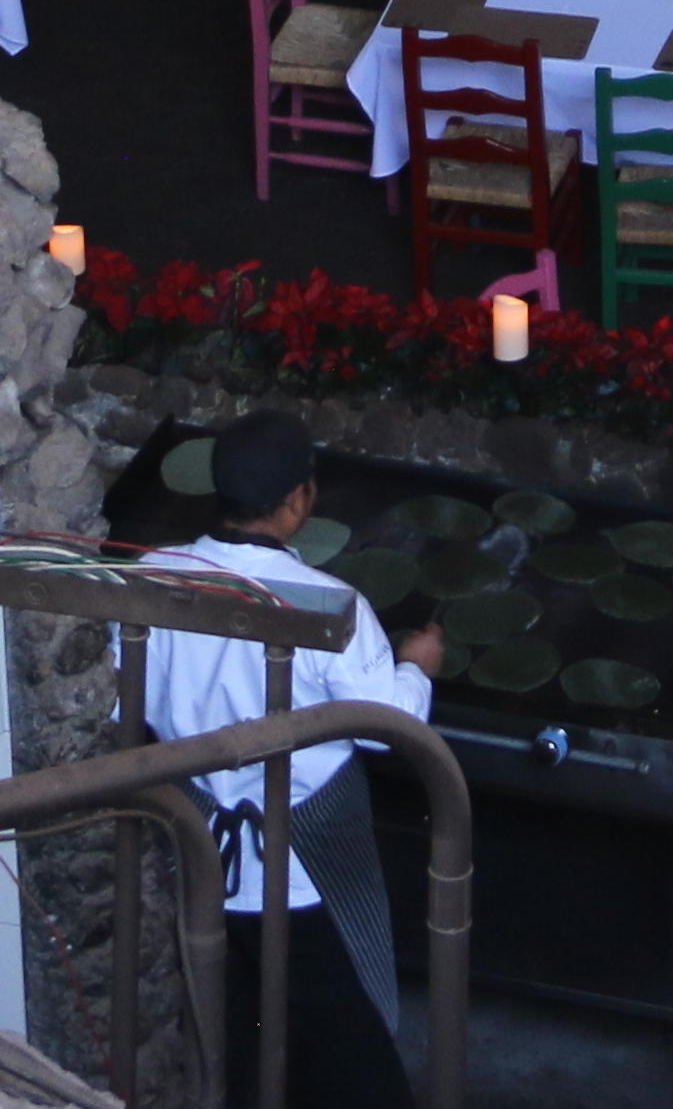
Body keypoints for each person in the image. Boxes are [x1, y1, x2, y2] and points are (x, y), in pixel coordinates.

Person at [140, 411, 438, 1109]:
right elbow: (387, 729)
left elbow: (136, 697)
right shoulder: (331, 605)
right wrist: (416, 668)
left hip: (201, 859)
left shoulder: (153, 574)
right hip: (305, 876)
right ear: (299, 499)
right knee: (353, 1060)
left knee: (239, 1043)